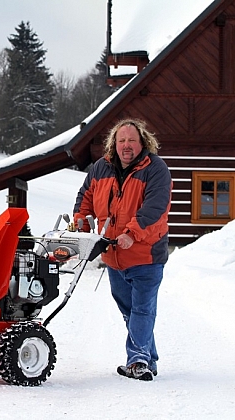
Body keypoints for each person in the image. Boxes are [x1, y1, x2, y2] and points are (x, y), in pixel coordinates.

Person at [73, 118, 172, 381]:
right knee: (129, 310)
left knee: (142, 309)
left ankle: (138, 360)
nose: (126, 145)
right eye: (121, 141)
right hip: (113, 256)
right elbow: (85, 198)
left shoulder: (155, 169)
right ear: (114, 144)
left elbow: (155, 208)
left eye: (131, 140)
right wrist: (80, 223)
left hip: (146, 254)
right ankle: (149, 358)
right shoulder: (100, 168)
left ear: (143, 142)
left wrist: (131, 233)